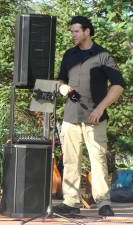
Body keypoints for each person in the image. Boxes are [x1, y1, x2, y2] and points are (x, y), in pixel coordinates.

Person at [53, 16, 126, 217]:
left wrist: (100, 108)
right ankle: (70, 203)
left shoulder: (103, 55)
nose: (73, 35)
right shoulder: (69, 55)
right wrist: (62, 87)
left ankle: (103, 203)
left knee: (98, 160)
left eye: (76, 31)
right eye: (72, 31)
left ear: (87, 32)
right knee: (70, 161)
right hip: (70, 117)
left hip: (95, 118)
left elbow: (118, 85)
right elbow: (60, 79)